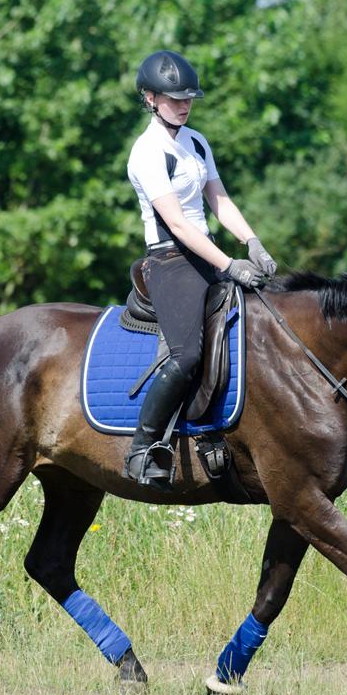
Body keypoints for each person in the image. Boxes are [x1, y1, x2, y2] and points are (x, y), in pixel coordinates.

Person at [124, 49, 277, 487]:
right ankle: (143, 449)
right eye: (175, 99)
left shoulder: (195, 142)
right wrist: (230, 264)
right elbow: (176, 223)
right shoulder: (147, 152)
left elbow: (219, 201)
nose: (185, 105)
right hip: (170, 260)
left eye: (189, 98)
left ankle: (221, 429)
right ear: (151, 99)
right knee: (187, 355)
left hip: (207, 252)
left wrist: (253, 242)